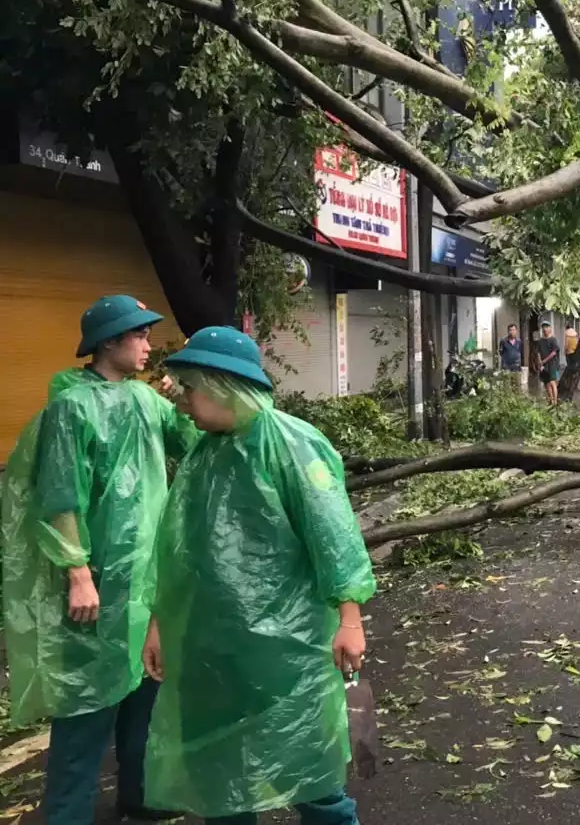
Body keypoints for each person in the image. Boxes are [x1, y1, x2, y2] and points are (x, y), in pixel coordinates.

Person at [141, 327, 376, 823]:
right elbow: (176, 552)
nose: (183, 403)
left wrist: (349, 619)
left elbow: (331, 533)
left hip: (285, 651)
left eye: (190, 389)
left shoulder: (290, 443)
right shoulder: (205, 453)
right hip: (211, 649)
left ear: (221, 385)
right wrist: (160, 624)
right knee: (221, 776)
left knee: (313, 777)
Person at [0, 295, 199, 824]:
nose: (148, 344)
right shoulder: (71, 407)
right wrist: (78, 573)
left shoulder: (145, 400)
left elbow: (190, 442)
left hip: (145, 579)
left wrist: (188, 399)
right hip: (100, 579)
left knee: (144, 694)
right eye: (139, 335)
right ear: (109, 342)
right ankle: (66, 815)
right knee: (87, 707)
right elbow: (60, 498)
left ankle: (140, 796)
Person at [536, 321, 561, 406]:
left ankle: (555, 401)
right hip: (543, 365)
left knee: (552, 382)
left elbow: (554, 353)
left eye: (547, 327)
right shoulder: (541, 341)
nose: (545, 329)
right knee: (546, 383)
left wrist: (544, 361)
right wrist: (540, 362)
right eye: (543, 327)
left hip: (552, 364)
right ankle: (551, 400)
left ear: (550, 329)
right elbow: (538, 352)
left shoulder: (553, 340)